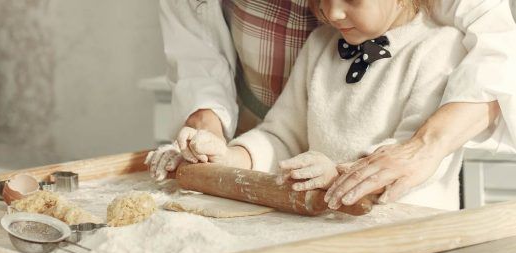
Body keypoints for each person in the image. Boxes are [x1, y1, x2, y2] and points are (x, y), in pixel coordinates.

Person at [149, 0, 516, 210]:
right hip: (324, 239)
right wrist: (228, 156)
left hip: (404, 244)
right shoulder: (321, 45)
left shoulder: (440, 49)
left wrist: (338, 177)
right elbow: (282, 136)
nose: (332, 12)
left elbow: (409, 162)